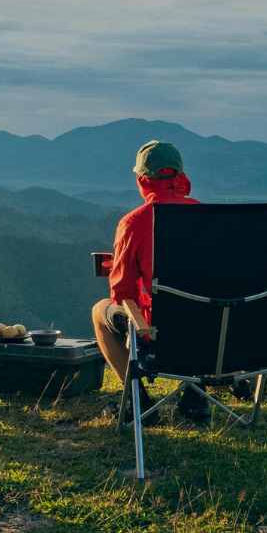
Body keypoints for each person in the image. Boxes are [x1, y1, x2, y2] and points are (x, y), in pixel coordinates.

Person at [90, 139, 210, 428]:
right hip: (211, 334)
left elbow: (122, 292)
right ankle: (195, 400)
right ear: (180, 175)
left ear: (143, 180)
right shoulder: (209, 218)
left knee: (100, 311)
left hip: (159, 334)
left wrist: (124, 265)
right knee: (199, 307)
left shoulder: (135, 223)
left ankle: (140, 404)